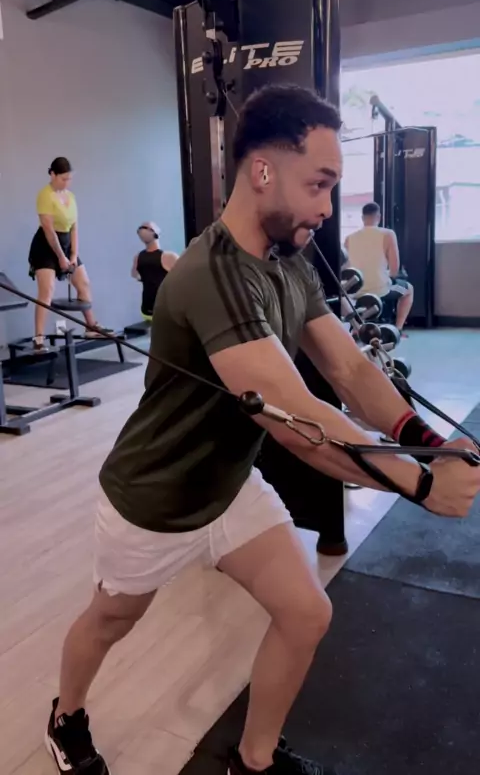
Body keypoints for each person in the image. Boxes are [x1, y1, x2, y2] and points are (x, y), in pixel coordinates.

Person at [45, 86, 479, 775]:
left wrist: (429, 441)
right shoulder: (213, 273)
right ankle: (66, 716)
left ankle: (252, 761)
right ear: (262, 171)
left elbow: (347, 367)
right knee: (110, 621)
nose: (327, 207)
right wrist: (424, 487)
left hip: (229, 486)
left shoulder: (288, 262)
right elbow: (297, 422)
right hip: (156, 498)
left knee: (306, 612)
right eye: (319, 184)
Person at [28, 158, 112, 350]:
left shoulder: (71, 197)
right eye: (63, 179)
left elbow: (74, 228)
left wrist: (73, 255)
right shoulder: (45, 195)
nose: (67, 183)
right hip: (45, 246)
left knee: (84, 283)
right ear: (53, 175)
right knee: (47, 290)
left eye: (69, 179)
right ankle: (38, 338)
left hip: (66, 244)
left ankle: (91, 326)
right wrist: (61, 257)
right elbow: (49, 230)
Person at [344, 202, 414, 332]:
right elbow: (394, 269)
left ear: (362, 218)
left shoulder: (349, 238)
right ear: (379, 217)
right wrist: (386, 274)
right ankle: (397, 329)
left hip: (356, 291)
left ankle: (358, 326)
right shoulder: (388, 234)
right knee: (409, 289)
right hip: (380, 290)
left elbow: (347, 268)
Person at [131, 222, 179, 320]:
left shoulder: (168, 257)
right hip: (152, 310)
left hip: (158, 309)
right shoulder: (138, 258)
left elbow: (135, 275)